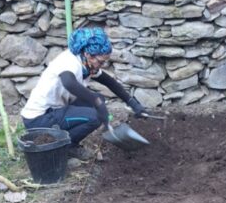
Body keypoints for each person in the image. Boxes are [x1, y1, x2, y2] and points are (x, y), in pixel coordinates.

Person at [20, 27, 147, 160]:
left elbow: (109, 82)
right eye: (100, 61)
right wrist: (96, 104)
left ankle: (64, 139)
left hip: (55, 110)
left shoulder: (86, 64)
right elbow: (68, 82)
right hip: (40, 120)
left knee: (99, 99)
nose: (102, 65)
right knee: (96, 115)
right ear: (88, 54)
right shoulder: (69, 62)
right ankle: (66, 147)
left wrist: (133, 103)